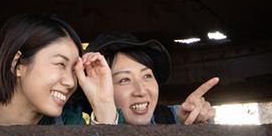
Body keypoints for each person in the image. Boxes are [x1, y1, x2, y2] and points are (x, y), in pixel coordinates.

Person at [0, 14, 117, 127]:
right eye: (60, 64)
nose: (70, 82)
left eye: (73, 70)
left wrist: (103, 103)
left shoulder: (70, 125)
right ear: (17, 64)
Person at [84, 32, 218, 125]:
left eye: (147, 76)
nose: (141, 91)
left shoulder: (175, 117)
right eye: (124, 80)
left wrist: (198, 122)